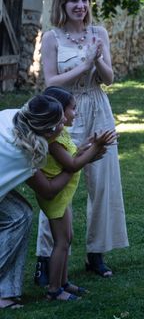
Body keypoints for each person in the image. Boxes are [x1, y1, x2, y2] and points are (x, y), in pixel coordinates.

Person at [38, 0, 128, 279]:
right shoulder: (52, 37)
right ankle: (45, 257)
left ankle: (96, 253)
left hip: (98, 107)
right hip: (63, 112)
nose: (80, 5)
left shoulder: (99, 32)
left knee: (103, 181)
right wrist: (84, 63)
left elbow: (109, 78)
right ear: (62, 3)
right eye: (74, 0)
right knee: (57, 183)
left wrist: (98, 60)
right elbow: (50, 81)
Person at [38, 87, 116, 301]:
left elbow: (73, 154)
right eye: (72, 109)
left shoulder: (60, 133)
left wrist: (88, 146)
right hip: (55, 197)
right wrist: (95, 148)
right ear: (59, 112)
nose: (76, 113)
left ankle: (63, 282)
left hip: (63, 195)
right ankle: (54, 290)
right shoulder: (52, 141)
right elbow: (72, 165)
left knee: (67, 239)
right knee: (61, 242)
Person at [0, 96, 75, 309]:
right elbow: (48, 191)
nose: (65, 124)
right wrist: (75, 164)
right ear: (49, 131)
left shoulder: (16, 115)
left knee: (21, 214)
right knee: (17, 217)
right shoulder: (26, 151)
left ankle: (6, 292)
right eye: (60, 122)